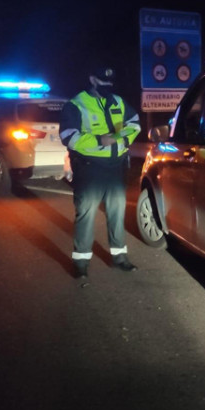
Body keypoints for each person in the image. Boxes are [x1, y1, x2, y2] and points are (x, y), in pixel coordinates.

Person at [59, 63, 141, 281]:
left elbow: (134, 124)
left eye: (110, 82)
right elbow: (69, 136)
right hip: (90, 169)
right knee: (86, 214)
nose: (107, 85)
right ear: (92, 79)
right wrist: (99, 140)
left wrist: (121, 138)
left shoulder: (118, 102)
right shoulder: (76, 104)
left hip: (116, 168)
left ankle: (120, 258)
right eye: (102, 81)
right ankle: (81, 263)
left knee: (117, 213)